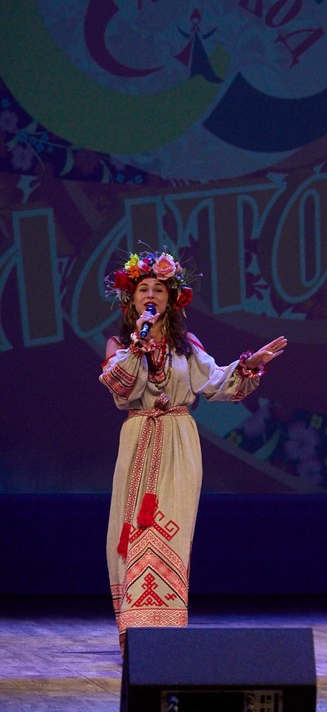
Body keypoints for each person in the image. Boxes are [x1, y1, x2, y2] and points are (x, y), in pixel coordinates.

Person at [99, 249, 287, 648]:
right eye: (143, 289)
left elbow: (217, 382)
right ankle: (133, 634)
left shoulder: (186, 346)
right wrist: (139, 343)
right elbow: (120, 387)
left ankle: (165, 635)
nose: (151, 295)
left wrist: (249, 365)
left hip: (178, 439)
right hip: (139, 437)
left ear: (171, 299)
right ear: (131, 300)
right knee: (130, 530)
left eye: (159, 289)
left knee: (171, 530)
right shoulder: (120, 344)